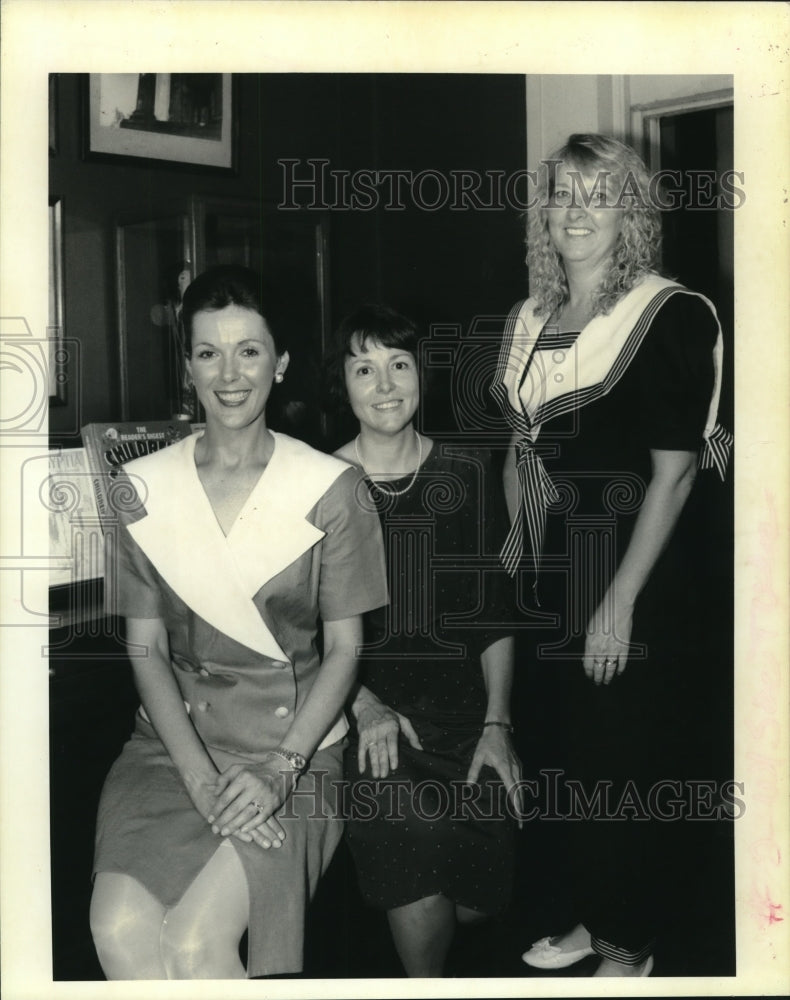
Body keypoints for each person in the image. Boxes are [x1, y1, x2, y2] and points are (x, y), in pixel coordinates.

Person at [89, 265, 388, 980]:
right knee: (118, 926)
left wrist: (282, 771)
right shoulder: (140, 488)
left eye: (249, 351)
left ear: (279, 363)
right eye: (208, 352)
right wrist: (197, 777)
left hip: (294, 746)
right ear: (187, 366)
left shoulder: (332, 489)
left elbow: (346, 650)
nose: (229, 373)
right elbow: (145, 649)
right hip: (173, 743)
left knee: (195, 942)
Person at [490, 134, 732, 977]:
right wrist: (515, 576)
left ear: (630, 210)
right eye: (563, 194)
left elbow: (675, 474)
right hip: (555, 566)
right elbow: (521, 452)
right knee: (566, 749)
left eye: (602, 193)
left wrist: (618, 602)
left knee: (626, 756)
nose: (579, 211)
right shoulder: (530, 319)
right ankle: (594, 918)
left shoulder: (671, 313)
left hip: (639, 571)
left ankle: (633, 945)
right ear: (544, 212)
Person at [327, 303, 521, 977]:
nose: (384, 385)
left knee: (477, 902)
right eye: (364, 367)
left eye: (398, 364)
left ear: (420, 375)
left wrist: (498, 721)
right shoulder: (319, 484)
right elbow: (297, 630)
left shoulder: (466, 473)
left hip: (466, 716)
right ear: (342, 386)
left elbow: (494, 615)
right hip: (372, 716)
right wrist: (362, 706)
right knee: (421, 855)